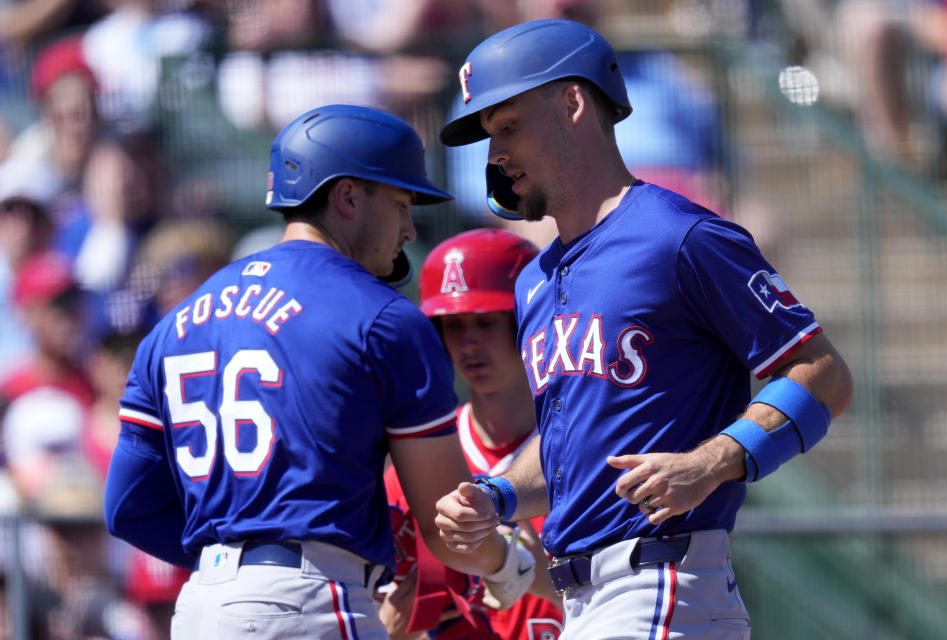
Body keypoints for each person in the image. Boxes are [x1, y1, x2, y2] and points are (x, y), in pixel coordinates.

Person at [434, 18, 855, 639]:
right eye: (490, 135)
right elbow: (567, 453)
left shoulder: (679, 235)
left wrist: (713, 461)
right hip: (583, 600)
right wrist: (494, 497)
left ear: (573, 102)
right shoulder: (534, 280)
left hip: (661, 584)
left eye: (509, 125)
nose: (494, 154)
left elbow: (824, 376)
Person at [102, 104, 535, 639]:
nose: (407, 228)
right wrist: (509, 564)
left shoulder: (173, 325)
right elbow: (447, 526)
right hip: (309, 602)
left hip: (199, 608)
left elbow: (127, 508)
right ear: (348, 195)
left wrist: (237, 565)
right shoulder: (382, 317)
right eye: (400, 203)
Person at [379, 228, 563, 640]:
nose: (468, 343)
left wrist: (521, 570)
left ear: (528, 323)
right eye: (452, 324)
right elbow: (388, 613)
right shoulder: (420, 463)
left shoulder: (582, 447)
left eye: (486, 322)